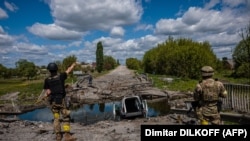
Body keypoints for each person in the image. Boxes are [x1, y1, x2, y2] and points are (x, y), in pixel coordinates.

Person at [44, 62, 77, 141]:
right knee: (66, 118)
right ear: (56, 69)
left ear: (49, 70)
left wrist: (48, 94)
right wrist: (73, 65)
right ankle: (67, 135)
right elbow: (68, 70)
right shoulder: (61, 76)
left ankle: (58, 136)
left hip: (53, 102)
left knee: (56, 118)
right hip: (62, 102)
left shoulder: (47, 80)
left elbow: (48, 92)